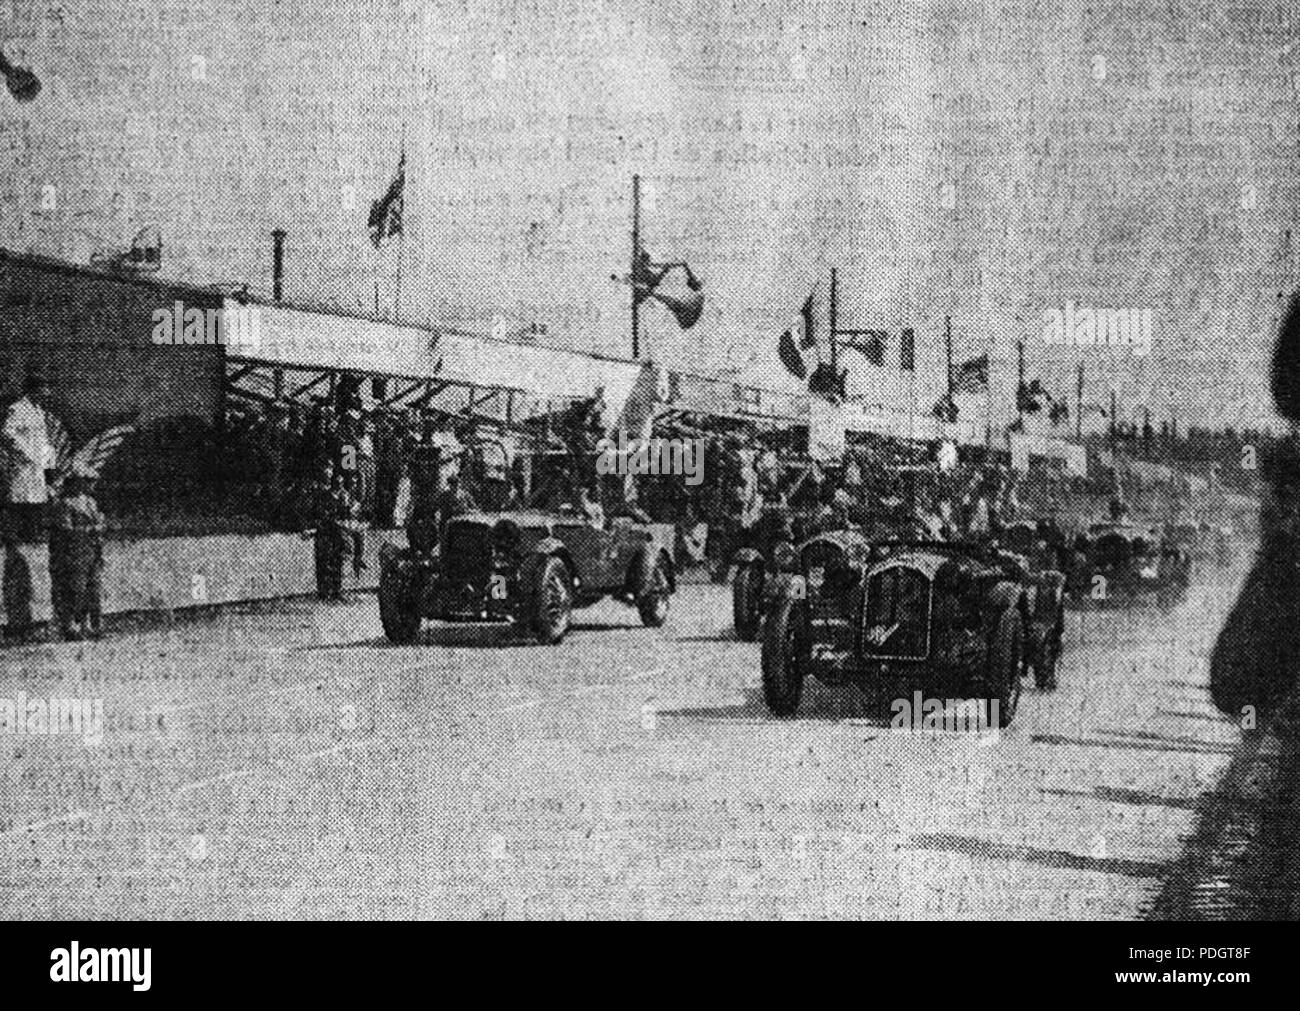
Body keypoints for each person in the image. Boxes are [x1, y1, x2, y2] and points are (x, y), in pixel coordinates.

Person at [48, 463, 105, 640]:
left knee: (93, 590)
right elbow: (66, 529)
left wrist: (98, 529)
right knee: (74, 591)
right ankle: (71, 627)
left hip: (92, 551)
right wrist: (90, 529)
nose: (90, 484)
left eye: (91, 480)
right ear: (77, 482)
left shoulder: (91, 502)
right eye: (87, 480)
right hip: (74, 553)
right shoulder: (65, 503)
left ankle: (93, 626)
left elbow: (100, 524)